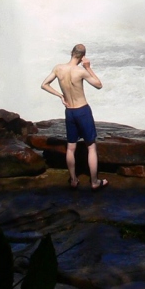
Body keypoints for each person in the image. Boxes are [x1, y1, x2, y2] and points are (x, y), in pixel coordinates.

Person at [41, 44, 108, 190]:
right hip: (82, 110)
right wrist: (88, 67)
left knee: (71, 147)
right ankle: (95, 182)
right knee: (91, 146)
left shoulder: (58, 68)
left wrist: (60, 95)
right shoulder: (80, 71)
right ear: (83, 56)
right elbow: (99, 85)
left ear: (71, 53)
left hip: (69, 111)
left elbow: (44, 84)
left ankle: (73, 180)